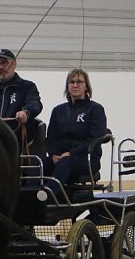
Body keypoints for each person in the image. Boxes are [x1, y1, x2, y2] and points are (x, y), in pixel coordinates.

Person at [43, 69, 108, 197]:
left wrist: (71, 153)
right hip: (60, 157)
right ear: (67, 86)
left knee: (66, 163)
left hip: (86, 159)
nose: (75, 85)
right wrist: (53, 154)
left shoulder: (95, 109)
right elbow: (51, 137)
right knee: (39, 163)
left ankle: (46, 197)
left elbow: (95, 138)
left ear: (86, 86)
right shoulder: (58, 110)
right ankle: (27, 198)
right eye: (71, 82)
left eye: (79, 82)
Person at [0, 49, 43, 147]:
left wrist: (26, 112)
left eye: (4, 62)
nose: (1, 67)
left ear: (14, 64)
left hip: (17, 138)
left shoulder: (27, 86)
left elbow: (35, 103)